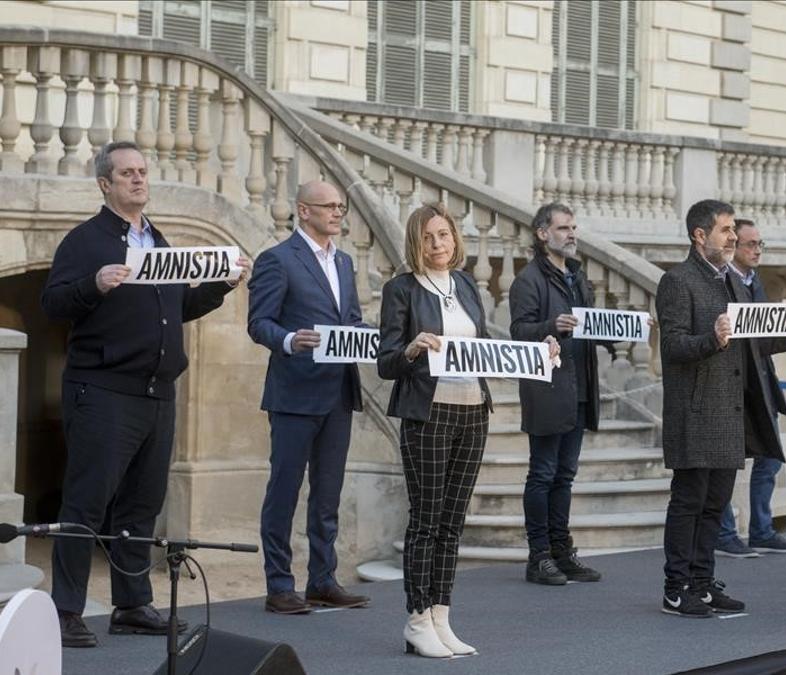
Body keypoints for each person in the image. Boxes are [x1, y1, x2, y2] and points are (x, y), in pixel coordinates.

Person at [41, 141, 249, 648]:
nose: (138, 179)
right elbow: (52, 303)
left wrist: (221, 284)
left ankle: (131, 605)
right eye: (126, 173)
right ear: (105, 184)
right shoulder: (85, 242)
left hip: (158, 393)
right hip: (104, 391)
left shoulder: (159, 241)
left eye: (142, 172)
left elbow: (175, 309)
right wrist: (94, 284)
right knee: (87, 504)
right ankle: (65, 610)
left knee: (141, 505)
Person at [377, 203, 560, 657]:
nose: (439, 245)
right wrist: (413, 349)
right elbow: (386, 362)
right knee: (427, 520)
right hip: (428, 412)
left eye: (445, 235)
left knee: (453, 522)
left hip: (472, 410)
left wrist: (539, 352)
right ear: (416, 244)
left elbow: (486, 348)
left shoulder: (464, 284)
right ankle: (417, 619)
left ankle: (441, 615)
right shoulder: (400, 289)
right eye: (429, 238)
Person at [657, 200, 786, 618]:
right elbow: (671, 346)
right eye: (725, 230)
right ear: (699, 236)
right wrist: (712, 338)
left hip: (732, 413)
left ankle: (702, 583)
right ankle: (676, 587)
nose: (732, 238)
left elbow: (755, 340)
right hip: (695, 410)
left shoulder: (735, 282)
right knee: (689, 502)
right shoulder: (678, 281)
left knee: (715, 505)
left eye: (731, 231)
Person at [247, 181, 371, 615]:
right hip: (294, 393)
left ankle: (322, 580)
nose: (338, 212)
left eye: (341, 206)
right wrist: (288, 340)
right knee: (283, 491)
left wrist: (366, 336)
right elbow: (259, 323)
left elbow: (350, 321)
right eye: (329, 206)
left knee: (328, 495)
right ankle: (279, 585)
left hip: (338, 393)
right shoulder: (276, 260)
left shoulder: (346, 262)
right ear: (303, 210)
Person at [509, 203, 604, 586]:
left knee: (565, 475)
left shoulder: (578, 278)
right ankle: (539, 556)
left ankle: (563, 552)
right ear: (542, 233)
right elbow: (518, 331)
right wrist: (551, 325)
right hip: (548, 389)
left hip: (579, 387)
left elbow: (593, 324)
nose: (571, 234)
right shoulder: (528, 280)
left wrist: (624, 328)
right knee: (543, 473)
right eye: (563, 227)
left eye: (574, 227)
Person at [715, 219, 786, 558]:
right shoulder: (722, 281)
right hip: (734, 388)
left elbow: (760, 341)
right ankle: (724, 534)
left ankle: (761, 530)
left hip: (761, 385)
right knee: (727, 464)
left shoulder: (754, 281)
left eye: (761, 243)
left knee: (770, 458)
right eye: (750, 244)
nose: (757, 249)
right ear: (734, 247)